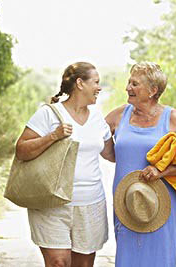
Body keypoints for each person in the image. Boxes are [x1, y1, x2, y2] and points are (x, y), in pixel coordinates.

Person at [15, 62, 115, 267]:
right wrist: (53, 136)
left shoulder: (97, 118)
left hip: (90, 203)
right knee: (58, 263)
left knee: (84, 265)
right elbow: (21, 150)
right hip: (52, 202)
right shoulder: (49, 114)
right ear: (80, 83)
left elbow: (111, 154)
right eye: (96, 82)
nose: (99, 87)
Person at [105, 62, 176, 267]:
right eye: (129, 82)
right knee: (127, 260)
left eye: (134, 84)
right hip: (128, 202)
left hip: (159, 204)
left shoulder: (172, 118)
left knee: (160, 260)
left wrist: (161, 170)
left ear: (153, 90)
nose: (127, 88)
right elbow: (96, 140)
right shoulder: (119, 115)